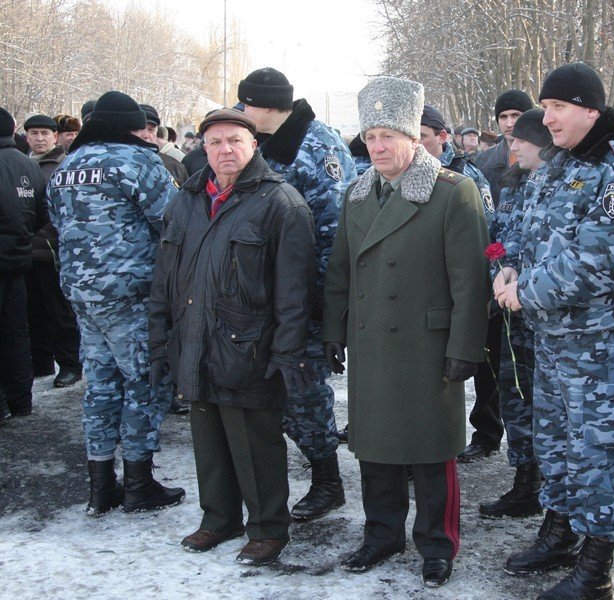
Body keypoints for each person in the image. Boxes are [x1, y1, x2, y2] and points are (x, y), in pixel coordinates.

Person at [496, 62, 614, 599]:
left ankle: (596, 565)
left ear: (591, 110)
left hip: (601, 341)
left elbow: (600, 260)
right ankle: (560, 528)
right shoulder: (559, 164)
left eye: (558, 108)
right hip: (552, 337)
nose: (546, 119)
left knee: (596, 448)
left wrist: (524, 292)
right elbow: (528, 229)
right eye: (544, 108)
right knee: (556, 440)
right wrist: (509, 268)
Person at [323, 75, 489, 588]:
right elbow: (341, 271)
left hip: (428, 347)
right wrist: (334, 330)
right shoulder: (356, 195)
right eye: (370, 137)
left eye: (387, 137)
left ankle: (437, 545)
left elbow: (470, 282)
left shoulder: (452, 193)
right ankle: (381, 534)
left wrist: (464, 350)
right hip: (372, 343)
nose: (376, 147)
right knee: (375, 447)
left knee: (431, 452)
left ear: (413, 138)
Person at [149, 108, 316, 566]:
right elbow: (165, 274)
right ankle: (219, 518)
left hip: (251, 347)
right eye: (216, 141)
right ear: (203, 147)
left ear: (253, 146)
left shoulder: (281, 203)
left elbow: (295, 292)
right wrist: (161, 336)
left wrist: (287, 353)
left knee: (254, 442)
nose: (225, 150)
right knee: (209, 437)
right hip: (193, 339)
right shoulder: (186, 198)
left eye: (235, 141)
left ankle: (267, 528)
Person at [46, 90, 184, 517]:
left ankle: (101, 485)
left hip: (83, 295)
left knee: (102, 386)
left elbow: (56, 222)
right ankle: (140, 483)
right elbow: (172, 222)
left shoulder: (66, 165)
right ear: (130, 127)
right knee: (145, 382)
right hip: (132, 295)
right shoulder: (138, 162)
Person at [238, 67, 356, 523]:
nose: (243, 113)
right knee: (283, 389)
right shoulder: (273, 143)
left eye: (246, 104)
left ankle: (328, 482)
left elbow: (333, 232)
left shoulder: (315, 145)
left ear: (267, 105)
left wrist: (324, 306)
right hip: (270, 293)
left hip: (304, 296)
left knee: (304, 389)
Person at [479, 108, 551, 520]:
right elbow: (498, 240)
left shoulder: (559, 187)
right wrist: (499, 268)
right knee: (514, 398)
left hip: (543, 316)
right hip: (511, 316)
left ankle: (547, 486)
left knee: (546, 407)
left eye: (521, 139)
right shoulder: (512, 186)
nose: (513, 145)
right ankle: (525, 481)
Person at [420, 104, 500, 463]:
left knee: (479, 366)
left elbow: (486, 233)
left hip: (464, 285)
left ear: (442, 137)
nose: (417, 145)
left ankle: (485, 432)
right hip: (427, 289)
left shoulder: (468, 175)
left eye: (422, 137)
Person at [23, 114, 82, 387]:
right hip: (27, 252)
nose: (39, 138)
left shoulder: (64, 165)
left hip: (53, 250)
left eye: (44, 133)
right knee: (34, 312)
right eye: (34, 133)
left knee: (61, 313)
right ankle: (42, 361)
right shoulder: (23, 164)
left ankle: (70, 364)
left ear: (55, 137)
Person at [0, 107, 49, 422]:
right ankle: (21, 400)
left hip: (14, 259)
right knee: (17, 332)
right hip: (18, 262)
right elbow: (42, 214)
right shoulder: (28, 166)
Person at [138, 104, 188, 186]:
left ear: (156, 133)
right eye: (140, 129)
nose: (146, 135)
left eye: (151, 130)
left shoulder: (175, 167)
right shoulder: (117, 164)